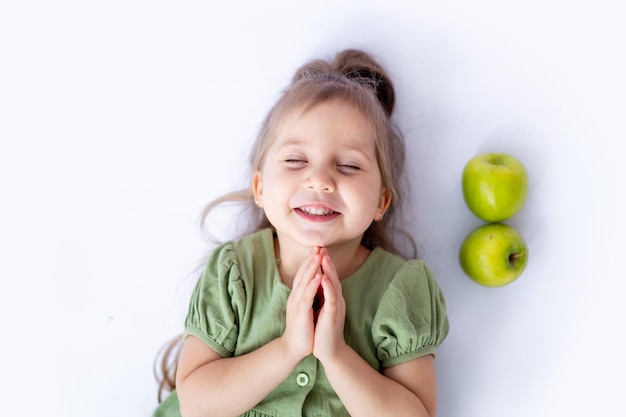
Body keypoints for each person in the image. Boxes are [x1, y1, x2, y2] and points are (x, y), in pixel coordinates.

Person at [153, 49, 449, 417]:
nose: (320, 180)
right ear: (260, 188)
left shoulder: (400, 287)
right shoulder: (235, 272)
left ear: (381, 202)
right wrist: (288, 348)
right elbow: (196, 405)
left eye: (348, 165)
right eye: (296, 160)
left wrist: (336, 355)